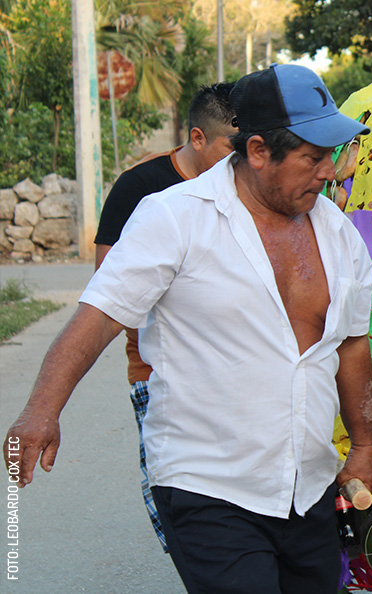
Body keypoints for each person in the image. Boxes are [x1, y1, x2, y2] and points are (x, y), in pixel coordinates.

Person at [4, 63, 372, 594]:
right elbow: (101, 312)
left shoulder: (339, 233)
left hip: (306, 484)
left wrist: (363, 443)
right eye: (313, 157)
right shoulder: (174, 217)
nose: (329, 172)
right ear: (257, 151)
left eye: (332, 156)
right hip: (208, 483)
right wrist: (41, 408)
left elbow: (352, 343)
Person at [92, 81, 236, 552]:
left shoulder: (246, 187)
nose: (243, 159)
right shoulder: (141, 188)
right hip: (160, 372)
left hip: (238, 367)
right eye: (231, 147)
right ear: (197, 138)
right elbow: (109, 288)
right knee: (178, 495)